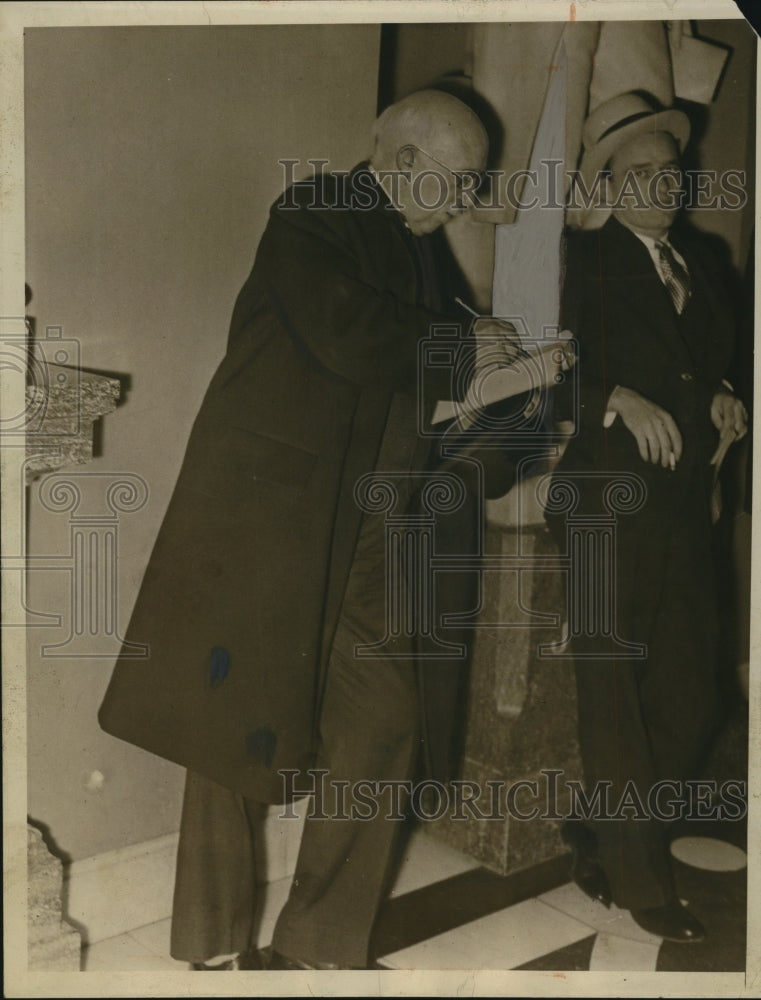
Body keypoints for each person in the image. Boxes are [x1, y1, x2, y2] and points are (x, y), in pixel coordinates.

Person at [98, 89, 525, 970]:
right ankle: (213, 944)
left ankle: (319, 943)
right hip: (274, 521)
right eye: (456, 183)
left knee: (385, 718)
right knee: (228, 724)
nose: (462, 203)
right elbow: (347, 329)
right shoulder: (315, 208)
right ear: (402, 162)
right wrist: (461, 348)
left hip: (375, 523)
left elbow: (413, 358)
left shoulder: (418, 246)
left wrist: (493, 357)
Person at [547, 92, 748, 943]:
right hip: (601, 507)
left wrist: (728, 396)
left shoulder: (703, 261)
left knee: (692, 693)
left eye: (671, 170)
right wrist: (613, 397)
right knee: (613, 694)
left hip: (682, 507)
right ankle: (637, 879)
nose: (663, 185)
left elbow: (720, 361)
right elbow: (531, 367)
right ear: (607, 186)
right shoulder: (577, 260)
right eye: (641, 174)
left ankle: (601, 829)